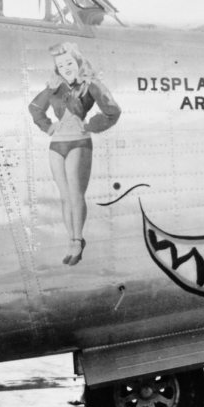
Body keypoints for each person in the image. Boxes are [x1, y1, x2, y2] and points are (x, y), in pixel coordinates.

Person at [28, 42, 121, 266]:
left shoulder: (90, 85)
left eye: (69, 62)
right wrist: (48, 127)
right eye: (61, 65)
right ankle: (70, 241)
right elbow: (34, 108)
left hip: (79, 142)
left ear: (78, 62)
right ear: (57, 68)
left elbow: (113, 111)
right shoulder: (55, 86)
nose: (66, 67)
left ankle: (78, 242)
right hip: (57, 145)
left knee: (76, 194)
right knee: (65, 197)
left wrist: (91, 125)